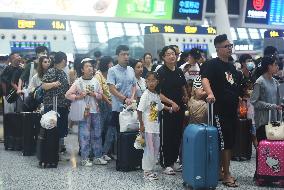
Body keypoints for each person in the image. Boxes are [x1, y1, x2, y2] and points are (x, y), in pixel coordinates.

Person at [202, 34, 241, 188]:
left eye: (230, 45)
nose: (230, 48)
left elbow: (233, 86)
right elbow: (204, 79)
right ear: (218, 49)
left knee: (229, 141)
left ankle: (220, 171)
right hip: (219, 111)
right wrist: (210, 93)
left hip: (232, 110)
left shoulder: (231, 66)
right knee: (224, 142)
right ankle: (226, 174)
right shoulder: (212, 64)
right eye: (226, 46)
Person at [66, 58, 107, 166]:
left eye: (91, 66)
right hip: (84, 112)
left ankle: (97, 156)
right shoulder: (78, 82)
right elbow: (68, 95)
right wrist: (79, 96)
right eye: (87, 66)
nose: (90, 68)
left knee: (97, 134)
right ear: (82, 70)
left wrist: (95, 94)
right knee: (84, 135)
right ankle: (85, 158)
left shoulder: (96, 81)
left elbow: (101, 95)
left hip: (95, 111)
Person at [157, 46, 188, 175]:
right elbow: (158, 93)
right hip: (166, 109)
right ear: (163, 57)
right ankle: (165, 164)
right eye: (168, 54)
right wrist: (171, 103)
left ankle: (173, 162)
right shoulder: (161, 73)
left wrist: (185, 95)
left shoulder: (179, 71)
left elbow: (183, 86)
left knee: (177, 135)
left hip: (179, 108)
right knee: (166, 136)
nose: (172, 56)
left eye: (173, 54)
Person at [137, 71, 170, 181]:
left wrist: (170, 108)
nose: (151, 83)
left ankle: (150, 170)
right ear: (146, 82)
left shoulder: (155, 94)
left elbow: (160, 106)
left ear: (157, 82)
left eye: (153, 80)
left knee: (155, 149)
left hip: (155, 127)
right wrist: (141, 124)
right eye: (149, 80)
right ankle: (146, 172)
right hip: (148, 128)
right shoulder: (145, 95)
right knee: (149, 150)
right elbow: (139, 110)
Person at [42, 52, 70, 158]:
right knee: (52, 129)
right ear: (63, 60)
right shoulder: (52, 71)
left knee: (60, 130)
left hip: (62, 105)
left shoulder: (62, 72)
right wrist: (54, 84)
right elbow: (44, 85)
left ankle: (57, 152)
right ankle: (51, 152)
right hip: (52, 105)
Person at [250, 55, 281, 143]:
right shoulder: (260, 82)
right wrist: (271, 106)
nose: (277, 67)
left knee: (273, 149)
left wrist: (278, 107)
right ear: (269, 66)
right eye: (275, 64)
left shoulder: (275, 82)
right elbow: (254, 101)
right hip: (263, 122)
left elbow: (277, 102)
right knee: (263, 149)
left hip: (274, 121)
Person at [107, 45, 136, 133]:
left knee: (131, 132)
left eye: (127, 54)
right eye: (123, 54)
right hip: (118, 108)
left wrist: (132, 98)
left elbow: (134, 85)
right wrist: (125, 99)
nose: (126, 57)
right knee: (118, 135)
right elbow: (111, 89)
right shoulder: (112, 70)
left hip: (130, 106)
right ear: (117, 56)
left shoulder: (131, 69)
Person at [95, 56, 115, 161]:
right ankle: (97, 153)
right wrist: (109, 102)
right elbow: (100, 91)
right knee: (100, 129)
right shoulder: (98, 75)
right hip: (102, 105)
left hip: (111, 103)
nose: (112, 65)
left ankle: (105, 152)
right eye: (111, 63)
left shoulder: (110, 75)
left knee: (109, 129)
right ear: (106, 64)